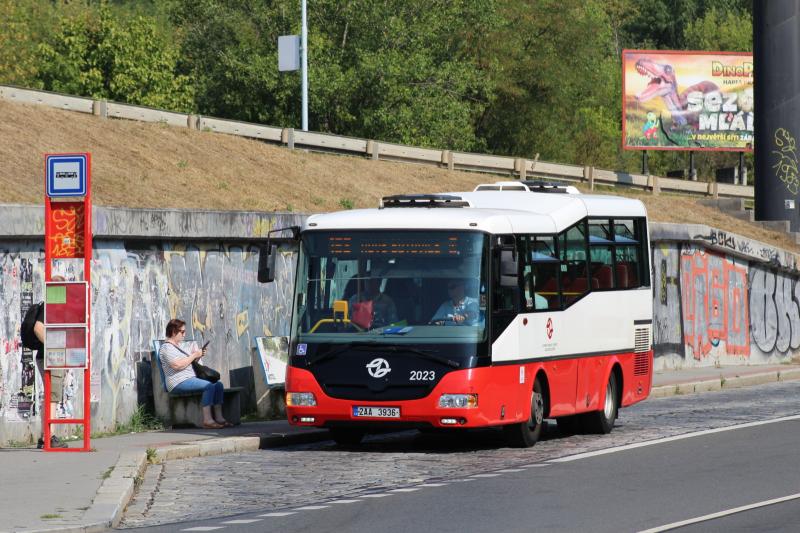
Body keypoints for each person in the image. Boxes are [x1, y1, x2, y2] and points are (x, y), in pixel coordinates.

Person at [159, 319, 231, 429]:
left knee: (218, 385)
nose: (184, 334)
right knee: (208, 387)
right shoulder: (166, 348)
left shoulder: (179, 347)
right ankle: (207, 420)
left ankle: (219, 418)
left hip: (189, 378)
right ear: (174, 332)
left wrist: (198, 356)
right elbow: (177, 365)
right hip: (177, 381)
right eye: (182, 332)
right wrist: (193, 355)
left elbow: (188, 363)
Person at [31, 275, 67, 449]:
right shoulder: (50, 306)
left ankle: (42, 435)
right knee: (53, 396)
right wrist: (53, 347)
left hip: (45, 356)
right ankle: (49, 436)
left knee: (49, 395)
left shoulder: (50, 306)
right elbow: (38, 327)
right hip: (50, 356)